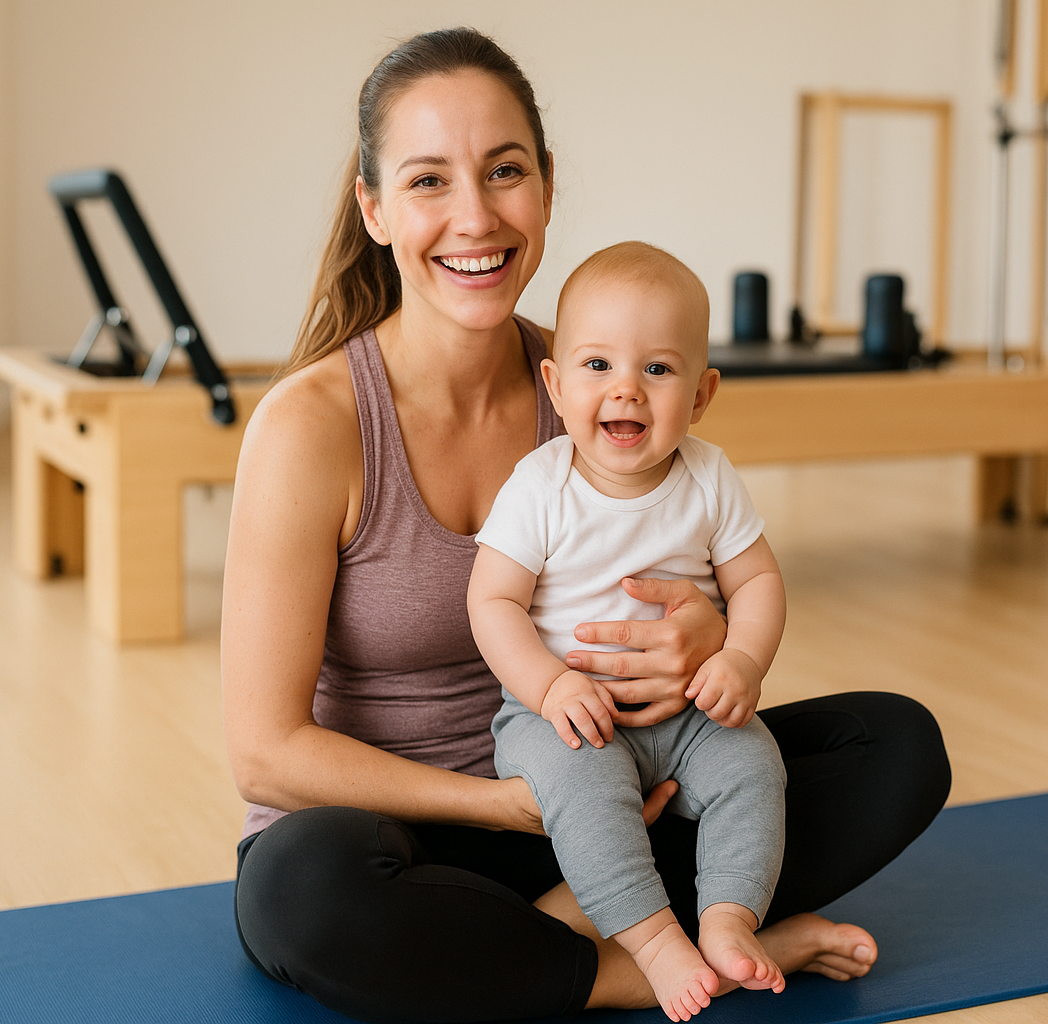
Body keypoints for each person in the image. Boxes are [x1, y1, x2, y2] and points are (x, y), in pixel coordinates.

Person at [222, 25, 952, 1024]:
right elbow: (264, 752)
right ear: (375, 208)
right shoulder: (309, 428)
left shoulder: (599, 386)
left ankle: (572, 930)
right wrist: (504, 807)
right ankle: (629, 964)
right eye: (429, 180)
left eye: (504, 170)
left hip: (613, 794)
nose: (475, 215)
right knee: (305, 895)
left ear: (548, 187)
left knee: (895, 745)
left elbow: (712, 570)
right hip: (407, 835)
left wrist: (703, 636)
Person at [469, 242, 789, 1021]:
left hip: (688, 719)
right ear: (554, 381)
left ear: (703, 393)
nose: (628, 392)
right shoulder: (540, 485)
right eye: (599, 366)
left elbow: (758, 582)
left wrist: (743, 658)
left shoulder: (709, 477)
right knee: (586, 790)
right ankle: (652, 943)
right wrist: (550, 686)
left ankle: (728, 917)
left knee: (756, 765)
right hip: (565, 720)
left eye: (658, 370)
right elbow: (493, 604)